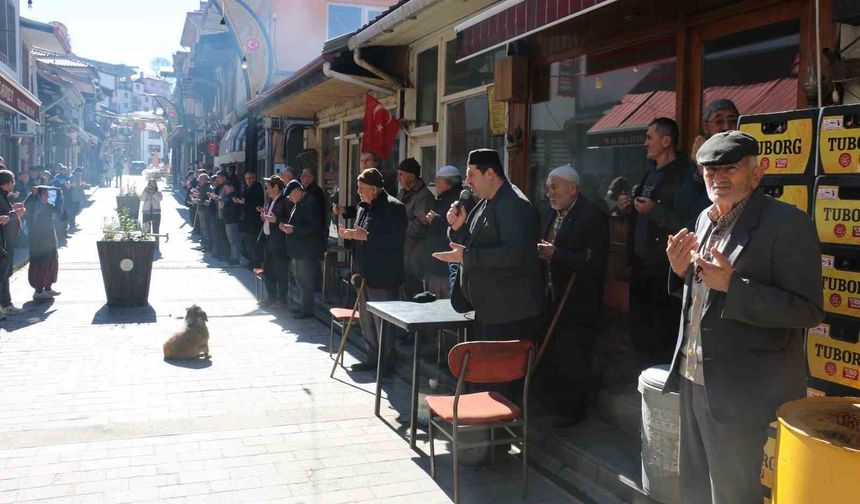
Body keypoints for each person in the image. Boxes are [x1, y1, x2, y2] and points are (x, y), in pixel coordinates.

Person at [664, 131, 823, 504]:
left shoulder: (787, 223)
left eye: (729, 169)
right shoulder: (704, 218)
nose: (718, 178)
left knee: (733, 493)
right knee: (695, 488)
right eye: (709, 170)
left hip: (741, 390)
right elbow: (701, 296)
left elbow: (807, 309)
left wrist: (735, 287)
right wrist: (679, 271)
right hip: (693, 379)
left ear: (756, 173)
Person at [434, 148, 544, 341]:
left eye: (472, 174)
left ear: (490, 174)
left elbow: (512, 254)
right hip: (488, 309)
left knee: (501, 370)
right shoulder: (485, 202)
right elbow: (473, 242)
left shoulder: (514, 204)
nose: (468, 182)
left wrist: (465, 256)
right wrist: (458, 228)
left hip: (508, 313)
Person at [537, 164, 609, 427]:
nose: (550, 193)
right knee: (553, 355)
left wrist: (557, 255)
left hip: (577, 302)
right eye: (547, 188)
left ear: (573, 188)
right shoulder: (549, 213)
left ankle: (571, 414)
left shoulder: (591, 216)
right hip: (549, 296)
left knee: (574, 358)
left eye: (554, 187)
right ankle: (551, 406)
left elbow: (595, 262)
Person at [618, 117, 687, 365]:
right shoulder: (649, 173)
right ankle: (642, 381)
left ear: (666, 141)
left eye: (650, 137)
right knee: (640, 331)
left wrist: (654, 210)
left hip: (665, 271)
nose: (645, 143)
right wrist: (629, 208)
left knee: (662, 333)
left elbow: (688, 221)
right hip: (640, 267)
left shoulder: (684, 174)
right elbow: (644, 211)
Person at [338, 168, 406, 374]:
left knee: (383, 321)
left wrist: (364, 237)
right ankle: (371, 357)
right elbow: (360, 235)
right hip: (363, 272)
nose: (358, 192)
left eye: (361, 188)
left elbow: (395, 240)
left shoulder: (394, 207)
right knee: (366, 319)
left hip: (383, 274)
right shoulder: (363, 207)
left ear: (374, 189)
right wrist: (349, 235)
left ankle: (387, 362)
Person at [675, 99, 741, 231]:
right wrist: (700, 170)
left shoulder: (745, 157)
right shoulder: (698, 155)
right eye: (719, 121)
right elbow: (681, 206)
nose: (726, 127)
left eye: (732, 120)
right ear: (706, 127)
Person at [280, 180, 324, 318]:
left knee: (305, 280)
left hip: (306, 250)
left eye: (290, 195)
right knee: (300, 279)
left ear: (297, 191)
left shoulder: (309, 203)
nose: (288, 198)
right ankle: (304, 307)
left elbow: (314, 227)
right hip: (300, 250)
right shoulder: (300, 202)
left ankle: (307, 309)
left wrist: (293, 229)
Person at [423, 165, 469, 298]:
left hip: (446, 270)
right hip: (438, 267)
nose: (435, 185)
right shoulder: (443, 200)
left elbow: (454, 230)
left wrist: (435, 221)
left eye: (436, 181)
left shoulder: (459, 202)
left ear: (445, 182)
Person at [396, 158, 434, 297]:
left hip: (415, 258)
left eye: (401, 174)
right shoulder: (402, 193)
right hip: (401, 255)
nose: (399, 178)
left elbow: (420, 227)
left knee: (414, 296)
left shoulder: (424, 197)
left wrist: (398, 225)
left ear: (412, 176)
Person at [24, 186, 62, 300]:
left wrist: (59, 196)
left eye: (47, 194)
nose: (47, 197)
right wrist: (32, 195)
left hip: (49, 239)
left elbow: (58, 211)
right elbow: (26, 206)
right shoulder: (33, 206)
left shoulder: (47, 206)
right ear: (39, 196)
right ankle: (38, 291)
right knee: (40, 265)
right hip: (38, 242)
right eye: (45, 194)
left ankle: (48, 288)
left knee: (51, 263)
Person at [260, 175, 291, 307]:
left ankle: (281, 299)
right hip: (269, 240)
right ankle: (271, 297)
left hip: (279, 242)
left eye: (268, 187)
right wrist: (265, 216)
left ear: (276, 187)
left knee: (280, 271)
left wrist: (275, 220)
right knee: (268, 270)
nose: (267, 189)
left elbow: (288, 219)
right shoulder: (272, 200)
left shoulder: (284, 201)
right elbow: (271, 218)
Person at [0, 169, 26, 316]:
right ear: (7, 183)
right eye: (12, 181)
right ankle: (5, 304)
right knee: (2, 274)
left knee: (5, 273)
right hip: (3, 242)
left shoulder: (4, 196)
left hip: (8, 241)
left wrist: (12, 212)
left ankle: (6, 303)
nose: (13, 184)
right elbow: (3, 217)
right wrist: (14, 215)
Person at [236, 171, 264, 268]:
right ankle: (252, 261)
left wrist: (244, 203)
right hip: (247, 221)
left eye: (250, 178)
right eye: (247, 178)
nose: (248, 180)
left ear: (254, 178)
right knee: (248, 243)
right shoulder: (247, 188)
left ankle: (255, 263)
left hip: (253, 222)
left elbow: (255, 204)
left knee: (252, 243)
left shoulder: (257, 188)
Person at [300, 168, 328, 247]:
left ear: (311, 178)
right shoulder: (308, 191)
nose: (301, 177)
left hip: (313, 236)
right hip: (310, 234)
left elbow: (310, 213)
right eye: (302, 175)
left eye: (304, 175)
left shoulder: (314, 191)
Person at [219, 179, 242, 265]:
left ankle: (236, 258)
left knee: (234, 240)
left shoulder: (234, 196)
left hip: (233, 220)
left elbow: (234, 209)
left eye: (226, 188)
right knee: (231, 240)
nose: (225, 190)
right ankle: (233, 257)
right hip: (228, 220)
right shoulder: (228, 196)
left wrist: (224, 207)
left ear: (231, 187)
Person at [140, 179, 163, 251]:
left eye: (153, 184)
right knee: (146, 229)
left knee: (156, 229)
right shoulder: (146, 192)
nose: (151, 185)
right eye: (150, 184)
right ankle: (147, 245)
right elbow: (141, 198)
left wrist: (153, 192)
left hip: (156, 213)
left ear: (155, 184)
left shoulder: (158, 192)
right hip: (146, 212)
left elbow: (159, 199)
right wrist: (145, 191)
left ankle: (156, 245)